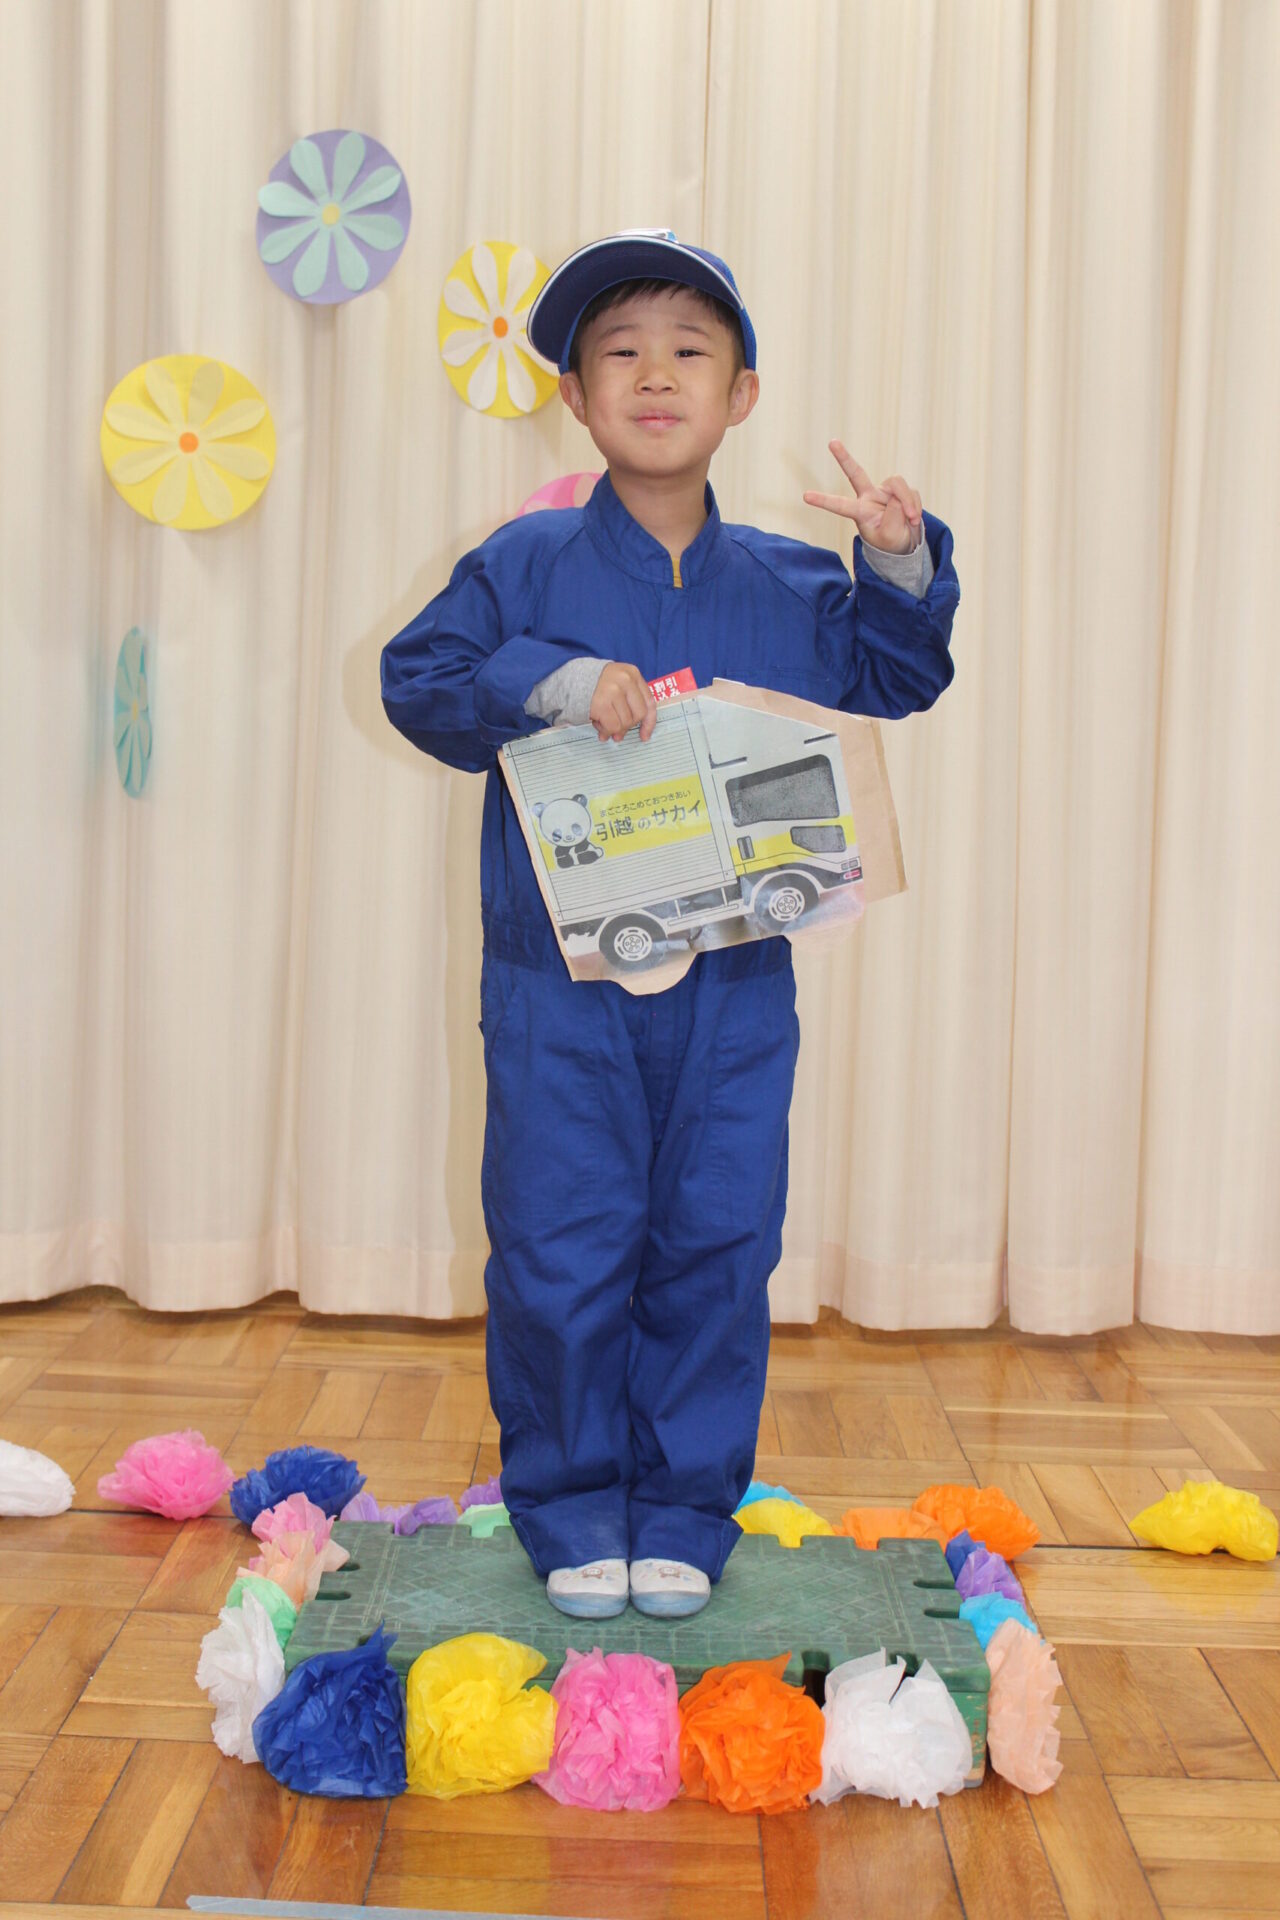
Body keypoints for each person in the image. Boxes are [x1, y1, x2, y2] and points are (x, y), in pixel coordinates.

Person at [381, 229, 959, 1621]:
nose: (655, 375)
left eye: (690, 351)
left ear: (741, 396)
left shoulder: (785, 581)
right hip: (557, 987)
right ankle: (575, 1506)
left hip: (735, 988)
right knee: (559, 1244)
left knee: (716, 1243)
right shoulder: (524, 565)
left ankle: (687, 1509)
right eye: (621, 353)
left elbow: (898, 673)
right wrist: (553, 681)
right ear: (575, 398)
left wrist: (896, 561)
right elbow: (420, 679)